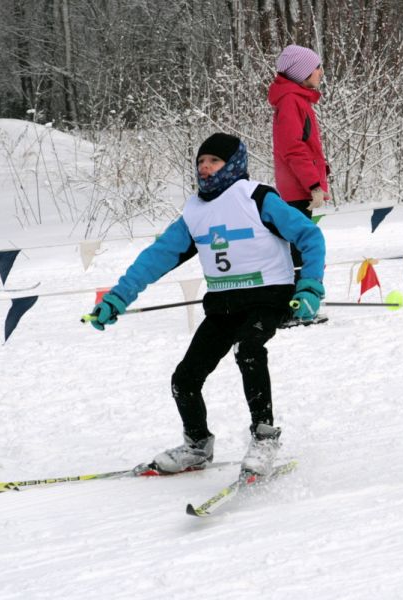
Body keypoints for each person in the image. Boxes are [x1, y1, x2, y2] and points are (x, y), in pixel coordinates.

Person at [89, 133, 326, 476]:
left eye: (214, 161)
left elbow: (309, 235)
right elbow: (157, 257)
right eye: (201, 161)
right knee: (184, 378)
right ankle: (197, 445)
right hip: (224, 306)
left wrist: (310, 288)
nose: (205, 168)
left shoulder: (257, 197)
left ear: (233, 164)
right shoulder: (194, 212)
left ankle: (264, 438)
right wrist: (118, 297)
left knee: (249, 350)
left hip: (269, 297)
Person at [268, 44, 329, 280]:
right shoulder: (291, 101)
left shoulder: (298, 100)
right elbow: (292, 149)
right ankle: (299, 296)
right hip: (298, 188)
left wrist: (321, 171)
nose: (320, 72)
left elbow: (305, 146)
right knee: (302, 246)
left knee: (302, 244)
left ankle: (301, 292)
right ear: (302, 72)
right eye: (317, 67)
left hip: (300, 185)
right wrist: (313, 183)